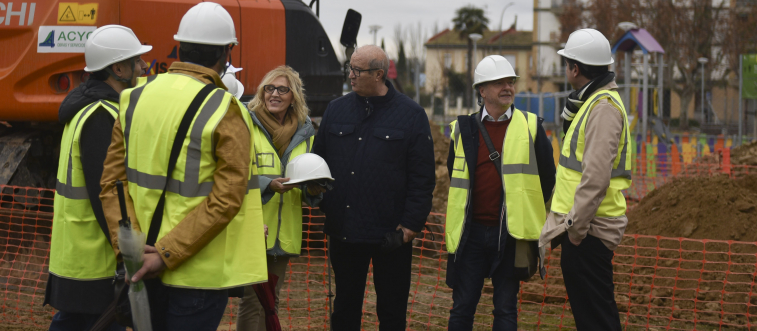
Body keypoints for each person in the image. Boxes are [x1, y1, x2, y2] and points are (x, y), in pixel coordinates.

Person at [99, 2, 266, 331]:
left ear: (180, 46)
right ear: (226, 54)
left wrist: (132, 253)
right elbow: (226, 199)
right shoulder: (224, 108)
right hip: (197, 274)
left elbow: (111, 185)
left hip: (142, 267)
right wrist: (165, 254)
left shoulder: (134, 98)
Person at [312, 44, 435, 331]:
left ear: (379, 74)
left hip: (390, 237)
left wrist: (408, 228)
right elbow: (318, 165)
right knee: (344, 310)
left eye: (357, 70)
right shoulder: (336, 110)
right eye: (349, 68)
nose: (350, 75)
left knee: (391, 314)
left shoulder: (412, 115)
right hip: (345, 233)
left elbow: (423, 178)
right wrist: (323, 204)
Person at [45, 25, 151, 331]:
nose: (144, 67)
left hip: (77, 259)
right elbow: (108, 193)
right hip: (97, 264)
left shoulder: (84, 109)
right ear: (118, 68)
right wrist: (128, 255)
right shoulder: (103, 116)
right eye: (137, 61)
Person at [445, 55, 556, 331]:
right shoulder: (462, 130)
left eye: (510, 81)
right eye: (499, 82)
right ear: (482, 91)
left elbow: (547, 177)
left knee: (505, 310)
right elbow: (454, 173)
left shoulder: (531, 126)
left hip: (510, 233)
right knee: (462, 309)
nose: (507, 87)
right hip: (469, 234)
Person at [539, 28, 632, 331]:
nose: (566, 69)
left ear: (575, 68)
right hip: (582, 229)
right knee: (591, 317)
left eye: (567, 63)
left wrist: (575, 231)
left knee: (597, 320)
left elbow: (595, 178)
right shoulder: (593, 102)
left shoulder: (602, 107)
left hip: (587, 232)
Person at [236, 65, 316, 331]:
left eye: (282, 89)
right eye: (269, 88)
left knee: (272, 300)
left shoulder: (305, 132)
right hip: (253, 227)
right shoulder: (245, 123)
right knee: (252, 300)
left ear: (293, 96)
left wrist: (314, 189)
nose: (275, 94)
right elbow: (232, 175)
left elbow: (307, 179)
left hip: (285, 232)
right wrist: (268, 184)